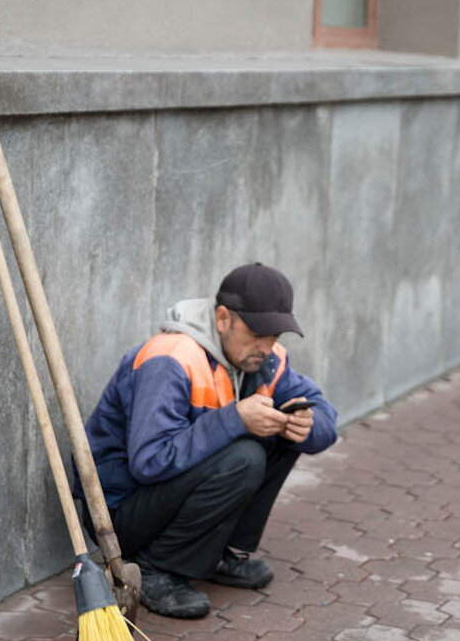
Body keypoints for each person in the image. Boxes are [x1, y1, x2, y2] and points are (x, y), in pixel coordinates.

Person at [83, 263, 338, 618]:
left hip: (163, 496)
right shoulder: (170, 358)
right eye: (256, 333)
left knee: (279, 436)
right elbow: (149, 462)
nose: (265, 347)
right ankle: (155, 568)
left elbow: (325, 413)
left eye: (275, 336)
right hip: (120, 515)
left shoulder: (266, 359)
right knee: (245, 454)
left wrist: (306, 426)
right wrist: (234, 420)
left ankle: (223, 553)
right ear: (222, 319)